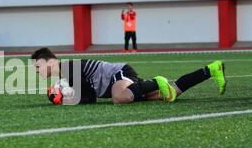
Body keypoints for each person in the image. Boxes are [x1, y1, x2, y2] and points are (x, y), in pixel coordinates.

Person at [31, 48, 227, 105]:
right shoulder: (67, 72)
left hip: (120, 73)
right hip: (118, 81)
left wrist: (64, 99)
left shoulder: (68, 68)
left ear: (49, 62)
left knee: (120, 98)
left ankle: (156, 81)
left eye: (37, 66)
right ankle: (210, 70)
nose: (36, 70)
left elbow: (89, 98)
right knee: (170, 93)